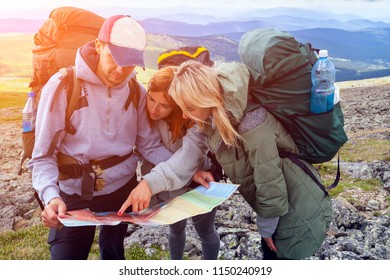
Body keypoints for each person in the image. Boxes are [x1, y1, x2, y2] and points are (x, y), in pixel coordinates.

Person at [27, 15, 173, 260]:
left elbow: (150, 146)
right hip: (73, 193)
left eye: (128, 64)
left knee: (114, 254)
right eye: (113, 59)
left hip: (122, 191)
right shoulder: (63, 86)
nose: (120, 71)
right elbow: (43, 157)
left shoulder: (135, 91)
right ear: (98, 45)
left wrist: (189, 168)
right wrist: (51, 197)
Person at [167, 60, 333, 260]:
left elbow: (269, 179)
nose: (185, 115)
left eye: (190, 108)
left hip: (295, 206)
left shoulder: (252, 124)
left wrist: (266, 228)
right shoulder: (221, 115)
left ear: (207, 98)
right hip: (284, 204)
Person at [118, 66, 220, 260]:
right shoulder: (146, 115)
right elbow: (148, 147)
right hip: (169, 187)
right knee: (175, 229)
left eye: (164, 105)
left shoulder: (194, 118)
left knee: (206, 233)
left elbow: (190, 155)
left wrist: (153, 182)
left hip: (198, 185)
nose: (154, 109)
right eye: (151, 99)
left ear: (177, 104)